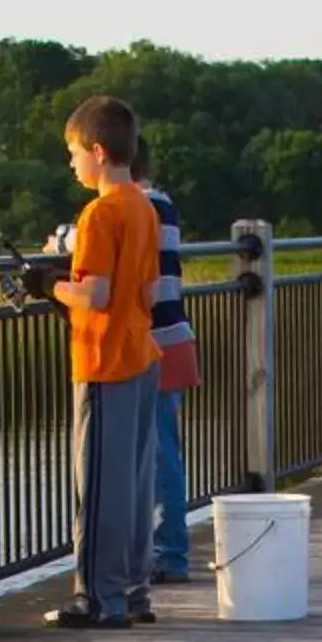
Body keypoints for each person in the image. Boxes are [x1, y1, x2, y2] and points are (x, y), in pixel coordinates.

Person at [48, 96, 161, 631]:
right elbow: (152, 285)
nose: (71, 165)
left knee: (97, 486)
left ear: (97, 151)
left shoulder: (99, 212)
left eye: (73, 153)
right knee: (134, 482)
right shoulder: (144, 206)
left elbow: (93, 294)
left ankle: (97, 598)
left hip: (103, 361)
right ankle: (135, 591)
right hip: (142, 353)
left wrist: (48, 285)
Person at [135, 134, 199, 586]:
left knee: (159, 454)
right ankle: (164, 548)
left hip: (155, 341)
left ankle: (169, 552)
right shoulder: (164, 204)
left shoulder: (145, 206)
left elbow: (91, 237)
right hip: (173, 337)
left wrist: (61, 239)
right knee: (162, 450)